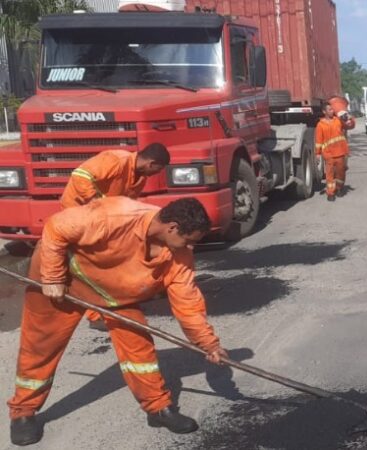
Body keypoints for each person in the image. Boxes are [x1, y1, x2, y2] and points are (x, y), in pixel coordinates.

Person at [7, 197, 227, 446]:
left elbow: (188, 304)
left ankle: (158, 409)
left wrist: (208, 344)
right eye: (189, 240)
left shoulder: (179, 256)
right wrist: (53, 277)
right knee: (40, 348)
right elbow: (57, 226)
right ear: (172, 227)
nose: (191, 247)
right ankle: (23, 413)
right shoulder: (116, 217)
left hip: (113, 295)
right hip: (62, 284)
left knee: (139, 348)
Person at [60, 144, 170, 330]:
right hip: (80, 214)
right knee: (92, 262)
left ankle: (116, 300)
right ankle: (95, 315)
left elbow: (127, 203)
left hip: (105, 220)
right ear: (151, 163)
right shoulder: (116, 160)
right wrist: (98, 203)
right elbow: (81, 176)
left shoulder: (139, 178)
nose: (154, 175)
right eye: (157, 170)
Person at [315, 103, 356, 201]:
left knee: (340, 173)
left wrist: (351, 118)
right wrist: (317, 154)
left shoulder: (338, 120)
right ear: (324, 112)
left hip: (340, 152)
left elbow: (350, 126)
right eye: (329, 110)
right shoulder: (320, 125)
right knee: (329, 174)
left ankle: (339, 188)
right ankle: (330, 193)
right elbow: (318, 141)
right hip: (328, 154)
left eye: (332, 109)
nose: (332, 111)